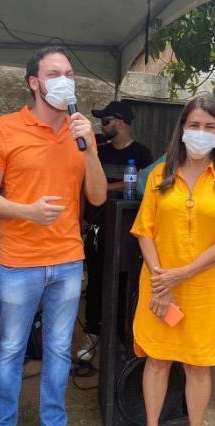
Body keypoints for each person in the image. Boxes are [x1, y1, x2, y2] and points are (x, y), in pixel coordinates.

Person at [0, 46, 107, 426]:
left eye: (69, 72)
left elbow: (98, 196)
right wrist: (26, 211)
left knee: (59, 350)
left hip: (67, 260)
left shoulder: (81, 132)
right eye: (54, 73)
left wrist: (89, 149)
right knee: (11, 348)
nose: (65, 79)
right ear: (35, 82)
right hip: (19, 260)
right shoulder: (4, 129)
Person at [129, 94, 215, 426]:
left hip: (207, 289)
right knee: (158, 359)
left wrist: (182, 274)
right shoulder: (160, 175)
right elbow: (144, 230)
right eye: (194, 125)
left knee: (199, 365)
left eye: (209, 127)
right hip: (160, 285)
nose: (201, 133)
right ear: (182, 128)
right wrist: (161, 279)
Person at [77, 101, 153, 360]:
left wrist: (107, 187)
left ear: (121, 122)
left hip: (127, 231)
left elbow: (145, 186)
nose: (102, 126)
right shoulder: (98, 151)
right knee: (96, 282)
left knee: (125, 284)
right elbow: (84, 185)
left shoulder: (142, 154)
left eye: (106, 121)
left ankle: (121, 338)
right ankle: (92, 335)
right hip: (97, 226)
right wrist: (81, 218)